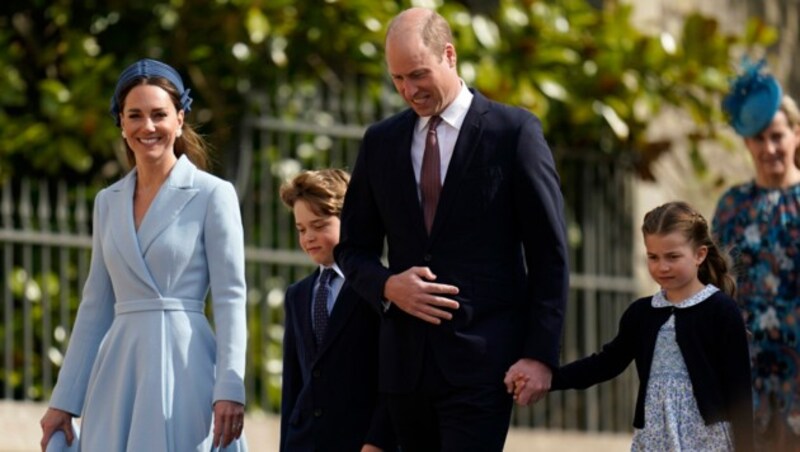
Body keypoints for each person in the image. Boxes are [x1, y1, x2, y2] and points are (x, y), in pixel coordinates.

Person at [334, 7, 569, 451]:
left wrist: (540, 354)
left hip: (483, 364)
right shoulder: (380, 143)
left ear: (449, 54)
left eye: (418, 74)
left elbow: (549, 252)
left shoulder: (513, 132)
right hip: (404, 368)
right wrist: (388, 286)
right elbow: (352, 250)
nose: (409, 90)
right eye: (398, 79)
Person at [39, 58, 248, 451]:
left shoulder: (213, 194)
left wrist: (230, 388)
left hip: (187, 373)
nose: (147, 126)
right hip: (118, 376)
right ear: (120, 122)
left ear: (180, 118)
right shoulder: (107, 202)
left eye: (159, 114)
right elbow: (95, 305)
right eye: (134, 115)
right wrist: (63, 402)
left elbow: (230, 299)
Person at [538, 201, 754, 451]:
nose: (662, 266)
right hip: (654, 436)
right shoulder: (641, 313)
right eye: (653, 257)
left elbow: (739, 389)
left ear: (699, 255)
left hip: (707, 440)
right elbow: (606, 364)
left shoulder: (721, 310)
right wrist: (550, 378)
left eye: (673, 257)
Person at [713, 58, 800, 451]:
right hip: (745, 382)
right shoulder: (732, 206)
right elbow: (713, 288)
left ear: (796, 134)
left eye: (777, 136)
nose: (769, 148)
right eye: (759, 138)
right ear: (746, 141)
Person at [278, 169, 395, 452]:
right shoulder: (297, 295)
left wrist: (377, 440)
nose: (309, 238)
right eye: (302, 229)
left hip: (360, 441)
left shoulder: (380, 289)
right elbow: (293, 384)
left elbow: (394, 375)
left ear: (350, 221)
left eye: (319, 226)